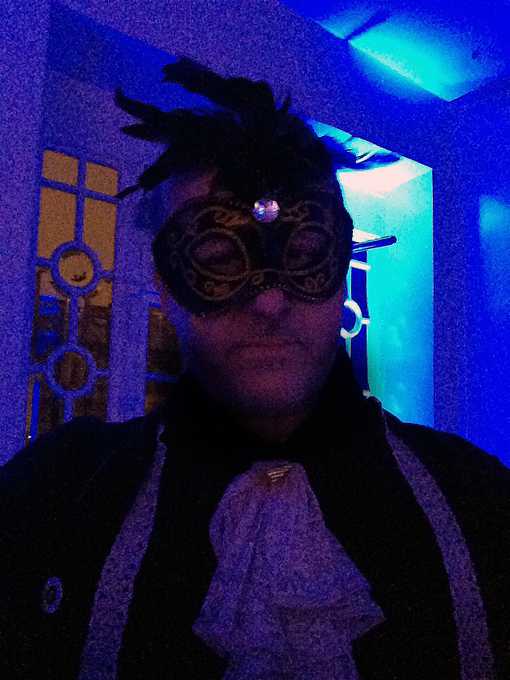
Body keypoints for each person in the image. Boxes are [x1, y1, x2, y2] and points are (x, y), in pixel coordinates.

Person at [1, 58, 509, 680]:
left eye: (305, 250)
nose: (269, 302)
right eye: (218, 257)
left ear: (340, 264)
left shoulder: (480, 501)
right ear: (164, 283)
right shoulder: (56, 495)